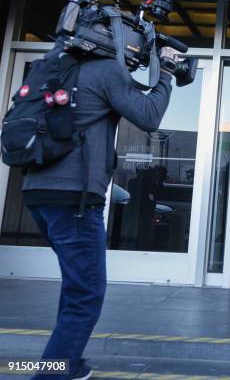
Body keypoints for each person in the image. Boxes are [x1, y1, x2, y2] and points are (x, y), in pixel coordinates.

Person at [23, 44, 176, 380]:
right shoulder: (105, 70)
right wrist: (164, 73)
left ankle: (70, 362)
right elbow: (149, 116)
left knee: (76, 285)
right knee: (86, 294)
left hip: (36, 191)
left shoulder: (52, 67)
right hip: (74, 199)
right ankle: (50, 374)